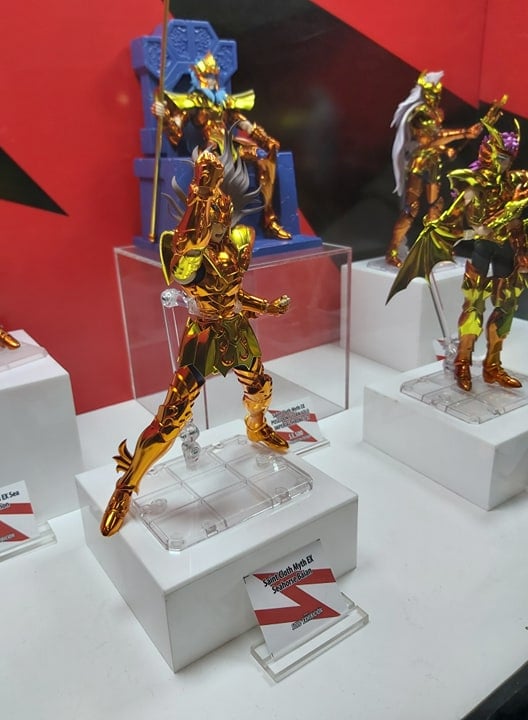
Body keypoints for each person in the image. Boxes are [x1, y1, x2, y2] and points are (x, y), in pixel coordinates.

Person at [101, 149, 290, 537]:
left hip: (235, 329)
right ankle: (127, 486)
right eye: (213, 216)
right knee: (172, 418)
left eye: (224, 214)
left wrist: (267, 307)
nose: (221, 222)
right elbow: (188, 260)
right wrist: (201, 192)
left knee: (261, 387)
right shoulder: (186, 251)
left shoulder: (237, 243)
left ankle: (256, 426)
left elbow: (234, 295)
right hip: (202, 334)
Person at [387, 118, 528, 392]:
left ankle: (493, 365)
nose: (505, 163)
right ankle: (463, 361)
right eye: (501, 157)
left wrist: (521, 245)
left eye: (509, 158)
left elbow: (514, 222)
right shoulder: (473, 184)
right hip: (482, 248)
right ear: (488, 154)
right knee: (474, 305)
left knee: (507, 306)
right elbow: (460, 223)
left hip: (508, 252)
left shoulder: (515, 181)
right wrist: (453, 230)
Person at [152, 50, 291, 240]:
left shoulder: (224, 101)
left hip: (231, 145)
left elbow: (244, 123)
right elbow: (176, 129)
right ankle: (217, 228)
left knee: (263, 159)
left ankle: (270, 220)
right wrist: (165, 117)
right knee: (215, 170)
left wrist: (265, 139)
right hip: (212, 147)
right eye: (207, 76)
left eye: (213, 76)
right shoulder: (194, 101)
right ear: (198, 77)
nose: (211, 80)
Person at [386, 70, 482, 267]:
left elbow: (435, 142)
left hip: (433, 164)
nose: (435, 97)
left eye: (437, 93)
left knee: (435, 207)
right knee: (411, 209)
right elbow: (429, 138)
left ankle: (434, 247)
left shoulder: (437, 113)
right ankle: (392, 251)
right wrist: (464, 133)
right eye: (432, 93)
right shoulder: (419, 114)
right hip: (419, 164)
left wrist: (445, 149)